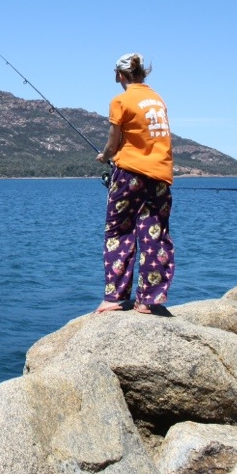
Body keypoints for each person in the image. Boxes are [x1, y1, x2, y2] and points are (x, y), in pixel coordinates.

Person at [94, 53, 175, 314]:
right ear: (142, 73)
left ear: (120, 74)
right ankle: (148, 300)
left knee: (119, 232)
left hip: (129, 174)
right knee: (154, 233)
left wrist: (104, 156)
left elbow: (112, 143)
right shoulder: (158, 99)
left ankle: (115, 297)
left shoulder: (121, 100)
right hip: (160, 176)